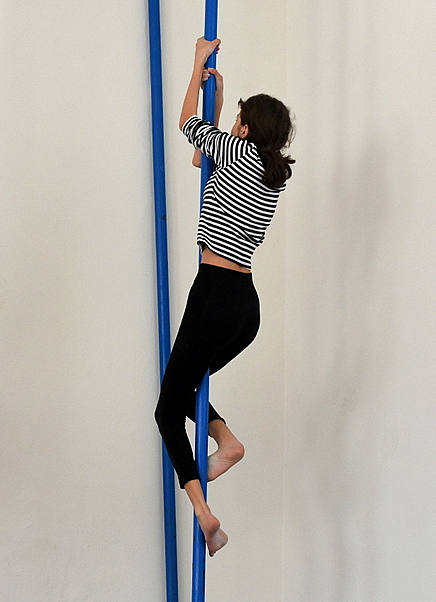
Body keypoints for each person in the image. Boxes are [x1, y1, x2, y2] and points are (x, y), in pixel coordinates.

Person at [154, 37, 294, 557]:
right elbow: (200, 159)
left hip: (213, 295)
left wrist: (197, 66)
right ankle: (227, 442)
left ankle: (204, 513)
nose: (233, 125)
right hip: (244, 307)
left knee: (167, 410)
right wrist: (219, 110)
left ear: (248, 129)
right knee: (186, 388)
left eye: (239, 119)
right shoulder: (270, 172)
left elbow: (186, 123)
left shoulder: (236, 149)